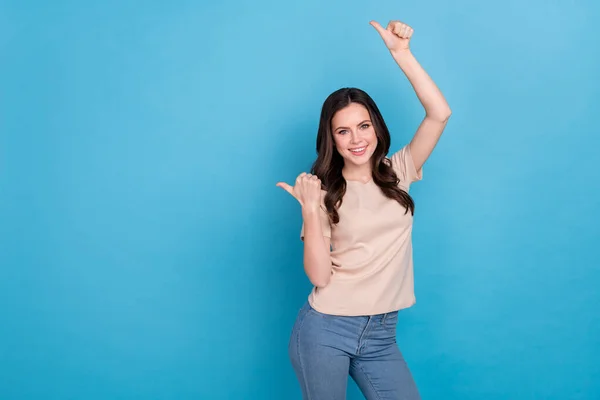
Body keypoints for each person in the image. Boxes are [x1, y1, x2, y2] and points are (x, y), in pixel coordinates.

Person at [276, 19, 451, 400]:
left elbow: (439, 114)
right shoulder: (324, 194)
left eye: (364, 125)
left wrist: (402, 55)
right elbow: (320, 276)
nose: (357, 139)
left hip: (382, 334)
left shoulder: (398, 171)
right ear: (331, 138)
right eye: (343, 131)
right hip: (326, 331)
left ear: (376, 128)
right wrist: (310, 209)